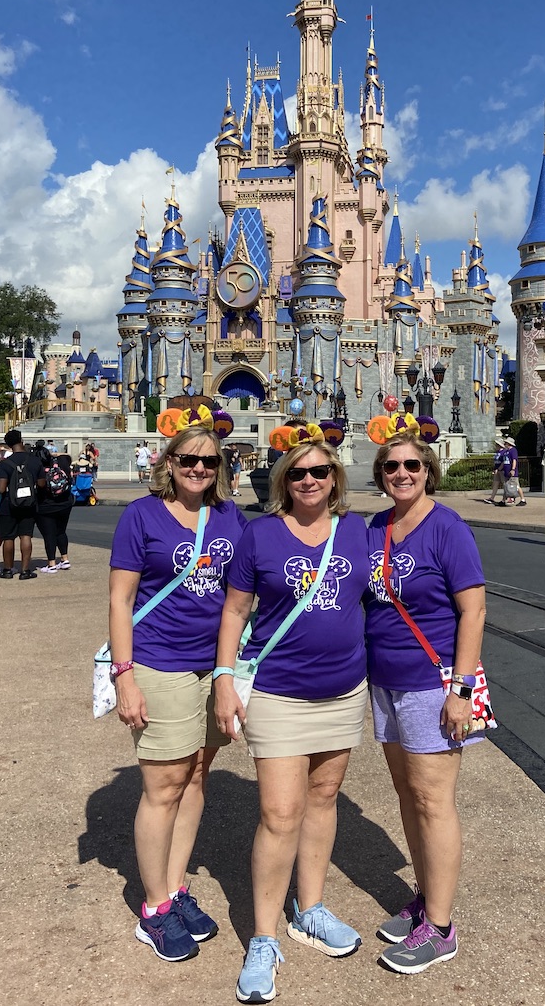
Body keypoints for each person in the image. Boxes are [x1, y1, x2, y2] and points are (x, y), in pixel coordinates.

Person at [214, 424, 369, 1004]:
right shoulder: (261, 536)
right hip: (278, 690)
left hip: (343, 690)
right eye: (298, 473)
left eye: (319, 472)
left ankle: (312, 906)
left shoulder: (357, 531)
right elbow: (234, 613)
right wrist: (225, 680)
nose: (309, 481)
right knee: (280, 813)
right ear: (283, 480)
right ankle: (263, 935)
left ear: (335, 479)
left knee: (323, 800)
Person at [109, 413, 247, 963]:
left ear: (220, 468)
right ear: (169, 462)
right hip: (158, 663)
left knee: (195, 776)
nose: (197, 468)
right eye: (187, 458)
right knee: (164, 785)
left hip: (210, 667)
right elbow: (120, 600)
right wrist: (125, 677)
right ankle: (153, 908)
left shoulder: (230, 517)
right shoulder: (142, 516)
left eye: (208, 461)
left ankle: (174, 886)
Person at [364, 418, 487, 974]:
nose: (402, 474)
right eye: (391, 466)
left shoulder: (448, 528)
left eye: (412, 465)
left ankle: (440, 927)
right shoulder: (376, 527)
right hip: (384, 682)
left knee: (434, 801)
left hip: (432, 682)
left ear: (428, 471)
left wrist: (461, 690)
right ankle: (424, 898)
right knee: (409, 797)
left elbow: (474, 610)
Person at [0, 430, 46, 580]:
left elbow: (1, 488)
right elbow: (42, 484)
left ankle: (8, 569)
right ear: (21, 440)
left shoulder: (4, 464)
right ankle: (25, 570)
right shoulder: (34, 461)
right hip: (28, 504)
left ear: (8, 445)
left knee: (8, 537)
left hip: (8, 504)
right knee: (26, 535)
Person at [35, 447, 76, 572]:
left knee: (49, 535)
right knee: (61, 531)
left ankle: (51, 563)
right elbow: (69, 457)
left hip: (46, 505)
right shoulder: (62, 462)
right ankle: (65, 559)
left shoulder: (38, 467)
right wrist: (55, 454)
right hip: (64, 503)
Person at [503, 436, 526, 506]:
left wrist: (513, 469)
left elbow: (514, 460)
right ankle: (504, 499)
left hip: (512, 472)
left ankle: (523, 499)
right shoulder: (506, 451)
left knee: (516, 486)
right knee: (507, 486)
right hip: (506, 472)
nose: (504, 444)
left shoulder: (513, 450)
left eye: (506, 443)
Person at [483, 437, 507, 506]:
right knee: (495, 484)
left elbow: (503, 462)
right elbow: (496, 462)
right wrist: (495, 469)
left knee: (504, 485)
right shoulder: (497, 452)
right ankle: (492, 498)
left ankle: (504, 498)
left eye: (496, 445)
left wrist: (499, 469)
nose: (495, 446)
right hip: (497, 470)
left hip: (502, 470)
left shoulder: (504, 452)